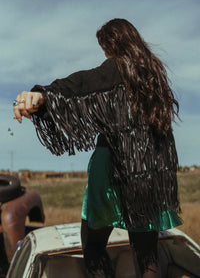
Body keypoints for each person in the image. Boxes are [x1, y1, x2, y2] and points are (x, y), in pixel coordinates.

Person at [13, 18, 182, 278]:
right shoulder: (153, 75)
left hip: (113, 164)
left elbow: (82, 83)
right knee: (146, 255)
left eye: (105, 46)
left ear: (113, 43)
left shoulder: (115, 68)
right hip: (149, 170)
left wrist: (42, 94)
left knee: (93, 246)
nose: (104, 53)